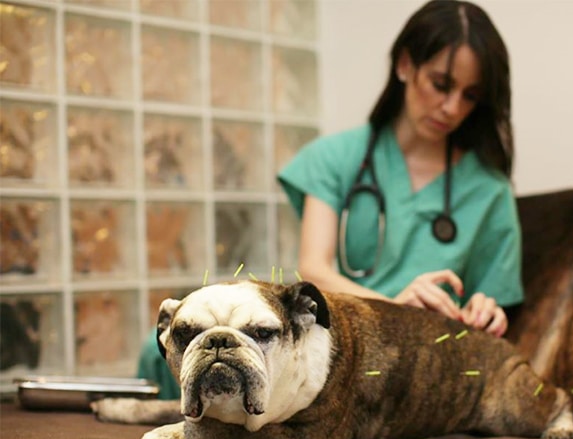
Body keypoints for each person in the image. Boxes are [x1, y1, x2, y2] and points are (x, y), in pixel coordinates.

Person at [137, 0, 523, 399]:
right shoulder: (336, 158)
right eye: (441, 84)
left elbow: (488, 301)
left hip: (417, 354)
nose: (452, 107)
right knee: (164, 346)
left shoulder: (489, 189)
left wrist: (484, 310)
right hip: (338, 331)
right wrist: (394, 307)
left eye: (470, 95)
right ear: (405, 65)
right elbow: (315, 271)